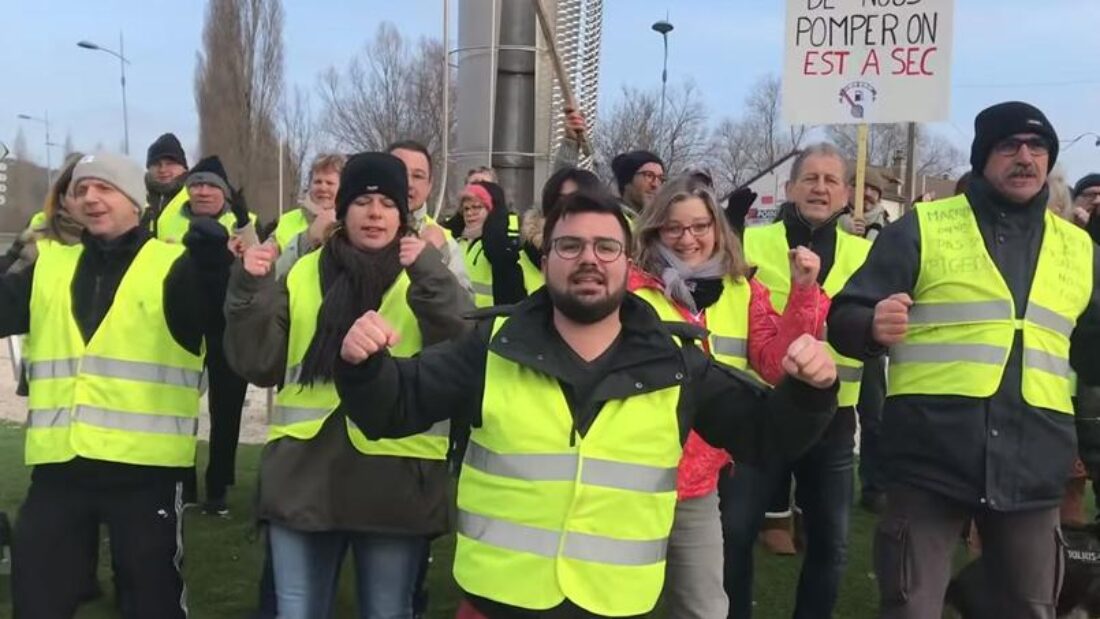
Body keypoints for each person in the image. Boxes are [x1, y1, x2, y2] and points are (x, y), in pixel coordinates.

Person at [333, 190, 839, 619]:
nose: (589, 259)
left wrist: (810, 392)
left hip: (615, 603)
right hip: (497, 603)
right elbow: (391, 409)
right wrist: (365, 367)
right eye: (570, 246)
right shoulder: (490, 345)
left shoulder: (676, 361)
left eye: (605, 246)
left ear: (628, 260)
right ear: (546, 256)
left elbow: (768, 435)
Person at [827, 101, 1100, 619]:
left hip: (1034, 462)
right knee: (912, 609)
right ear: (981, 157)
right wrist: (869, 324)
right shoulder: (923, 227)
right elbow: (845, 313)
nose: (1025, 157)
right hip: (930, 459)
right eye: (1009, 145)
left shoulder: (1080, 249)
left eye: (1037, 146)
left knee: (1028, 609)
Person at [225, 152, 473, 618]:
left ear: (404, 213)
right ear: (342, 211)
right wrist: (247, 291)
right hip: (305, 476)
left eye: (386, 202)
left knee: (387, 611)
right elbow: (257, 362)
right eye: (361, 200)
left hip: (395, 479)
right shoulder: (302, 272)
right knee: (295, 611)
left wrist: (432, 274)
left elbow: (461, 347)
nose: (375, 213)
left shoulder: (425, 270)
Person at [1, 151, 233, 617]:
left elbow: (209, 311)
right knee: (37, 597)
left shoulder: (174, 264)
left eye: (104, 188)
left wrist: (213, 267)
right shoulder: (47, 264)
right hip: (60, 469)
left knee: (152, 600)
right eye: (80, 189)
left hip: (143, 473)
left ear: (135, 202)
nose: (90, 197)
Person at [629, 177, 828, 619]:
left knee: (705, 609)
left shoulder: (742, 288)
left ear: (718, 228)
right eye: (674, 228)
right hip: (633, 475)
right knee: (617, 603)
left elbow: (776, 364)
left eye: (700, 226)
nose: (688, 239)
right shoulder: (630, 291)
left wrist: (803, 292)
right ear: (654, 231)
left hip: (703, 479)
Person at [730, 143, 872, 619]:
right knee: (736, 534)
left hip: (833, 417)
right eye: (810, 178)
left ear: (846, 194)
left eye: (832, 180)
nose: (820, 187)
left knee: (831, 544)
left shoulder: (868, 254)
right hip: (761, 410)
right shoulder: (750, 243)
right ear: (789, 188)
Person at [156, 155, 258, 513]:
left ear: (224, 193)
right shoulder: (165, 218)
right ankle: (182, 486)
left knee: (226, 412)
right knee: (178, 410)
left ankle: (218, 489)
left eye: (211, 185)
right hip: (178, 328)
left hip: (228, 330)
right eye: (196, 184)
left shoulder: (243, 223)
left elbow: (261, 270)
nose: (202, 191)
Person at [387, 140, 473, 294]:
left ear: (430, 185)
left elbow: (464, 310)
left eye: (418, 176)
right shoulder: (351, 231)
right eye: (400, 173)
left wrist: (438, 260)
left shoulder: (444, 241)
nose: (409, 183)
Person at [271, 154, 345, 274]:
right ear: (310, 185)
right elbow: (272, 274)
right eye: (317, 182)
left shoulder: (351, 222)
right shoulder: (287, 221)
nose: (323, 187)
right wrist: (308, 238)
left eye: (329, 183)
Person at [451, 181, 519, 308]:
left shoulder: (498, 243)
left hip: (489, 319)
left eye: (477, 207)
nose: (470, 213)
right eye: (466, 209)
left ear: (489, 210)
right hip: (458, 319)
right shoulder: (457, 242)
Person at [144, 133, 190, 234]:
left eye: (170, 164)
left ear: (183, 167)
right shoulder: (137, 196)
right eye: (156, 164)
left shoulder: (195, 195)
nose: (163, 170)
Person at [839, 168, 890, 241]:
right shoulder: (832, 220)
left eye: (873, 189)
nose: (867, 193)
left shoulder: (888, 228)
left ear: (879, 198)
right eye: (863, 187)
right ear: (849, 191)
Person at [611, 150, 665, 218]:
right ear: (627, 181)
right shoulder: (610, 220)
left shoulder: (659, 223)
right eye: (649, 175)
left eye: (660, 179)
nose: (655, 185)